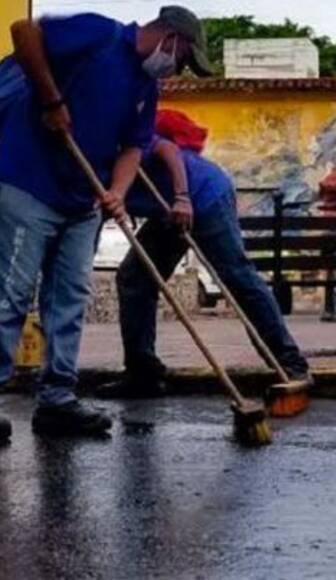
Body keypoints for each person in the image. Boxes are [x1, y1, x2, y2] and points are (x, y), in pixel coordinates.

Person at [0, 7, 213, 443]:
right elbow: (23, 32)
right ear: (169, 36)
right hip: (28, 180)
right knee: (12, 290)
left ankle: (57, 400)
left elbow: (134, 146)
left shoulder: (147, 87)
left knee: (70, 297)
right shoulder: (98, 35)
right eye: (183, 56)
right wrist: (52, 100)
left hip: (83, 199)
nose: (179, 67)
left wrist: (118, 191)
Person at [98, 109, 310, 397]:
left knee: (236, 277)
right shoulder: (75, 166)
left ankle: (290, 363)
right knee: (135, 279)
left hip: (202, 194)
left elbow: (168, 150)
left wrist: (183, 198)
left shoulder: (109, 134)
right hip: (165, 210)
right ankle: (142, 372)